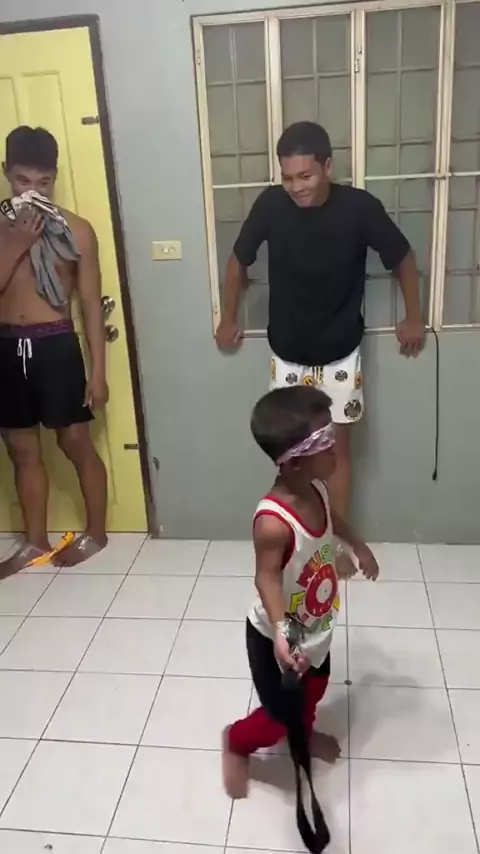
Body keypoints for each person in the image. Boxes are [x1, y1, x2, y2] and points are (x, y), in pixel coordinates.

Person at [215, 121, 425, 519]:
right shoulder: (271, 205)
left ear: (328, 167)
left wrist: (414, 318)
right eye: (288, 178)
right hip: (287, 354)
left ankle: (338, 538)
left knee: (335, 454)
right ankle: (303, 536)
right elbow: (238, 260)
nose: (296, 187)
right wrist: (227, 318)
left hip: (340, 355)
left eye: (305, 176)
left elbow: (403, 257)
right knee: (291, 456)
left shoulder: (359, 207)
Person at [222, 385, 379, 799]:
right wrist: (280, 631)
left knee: (316, 687)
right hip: (275, 635)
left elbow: (332, 520)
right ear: (293, 462)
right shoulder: (273, 523)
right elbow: (266, 578)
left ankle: (302, 733)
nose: (335, 446)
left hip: (315, 627)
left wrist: (357, 545)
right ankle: (236, 742)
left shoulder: (318, 488)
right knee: (278, 715)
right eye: (325, 440)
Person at [0, 126, 108, 576]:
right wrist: (16, 244)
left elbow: (90, 304)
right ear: (6, 173)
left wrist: (98, 372)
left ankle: (97, 533)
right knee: (21, 450)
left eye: (43, 182)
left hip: (57, 344)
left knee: (75, 442)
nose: (33, 191)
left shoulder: (77, 230)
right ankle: (34, 542)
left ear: (55, 178)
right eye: (23, 181)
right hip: (7, 346)